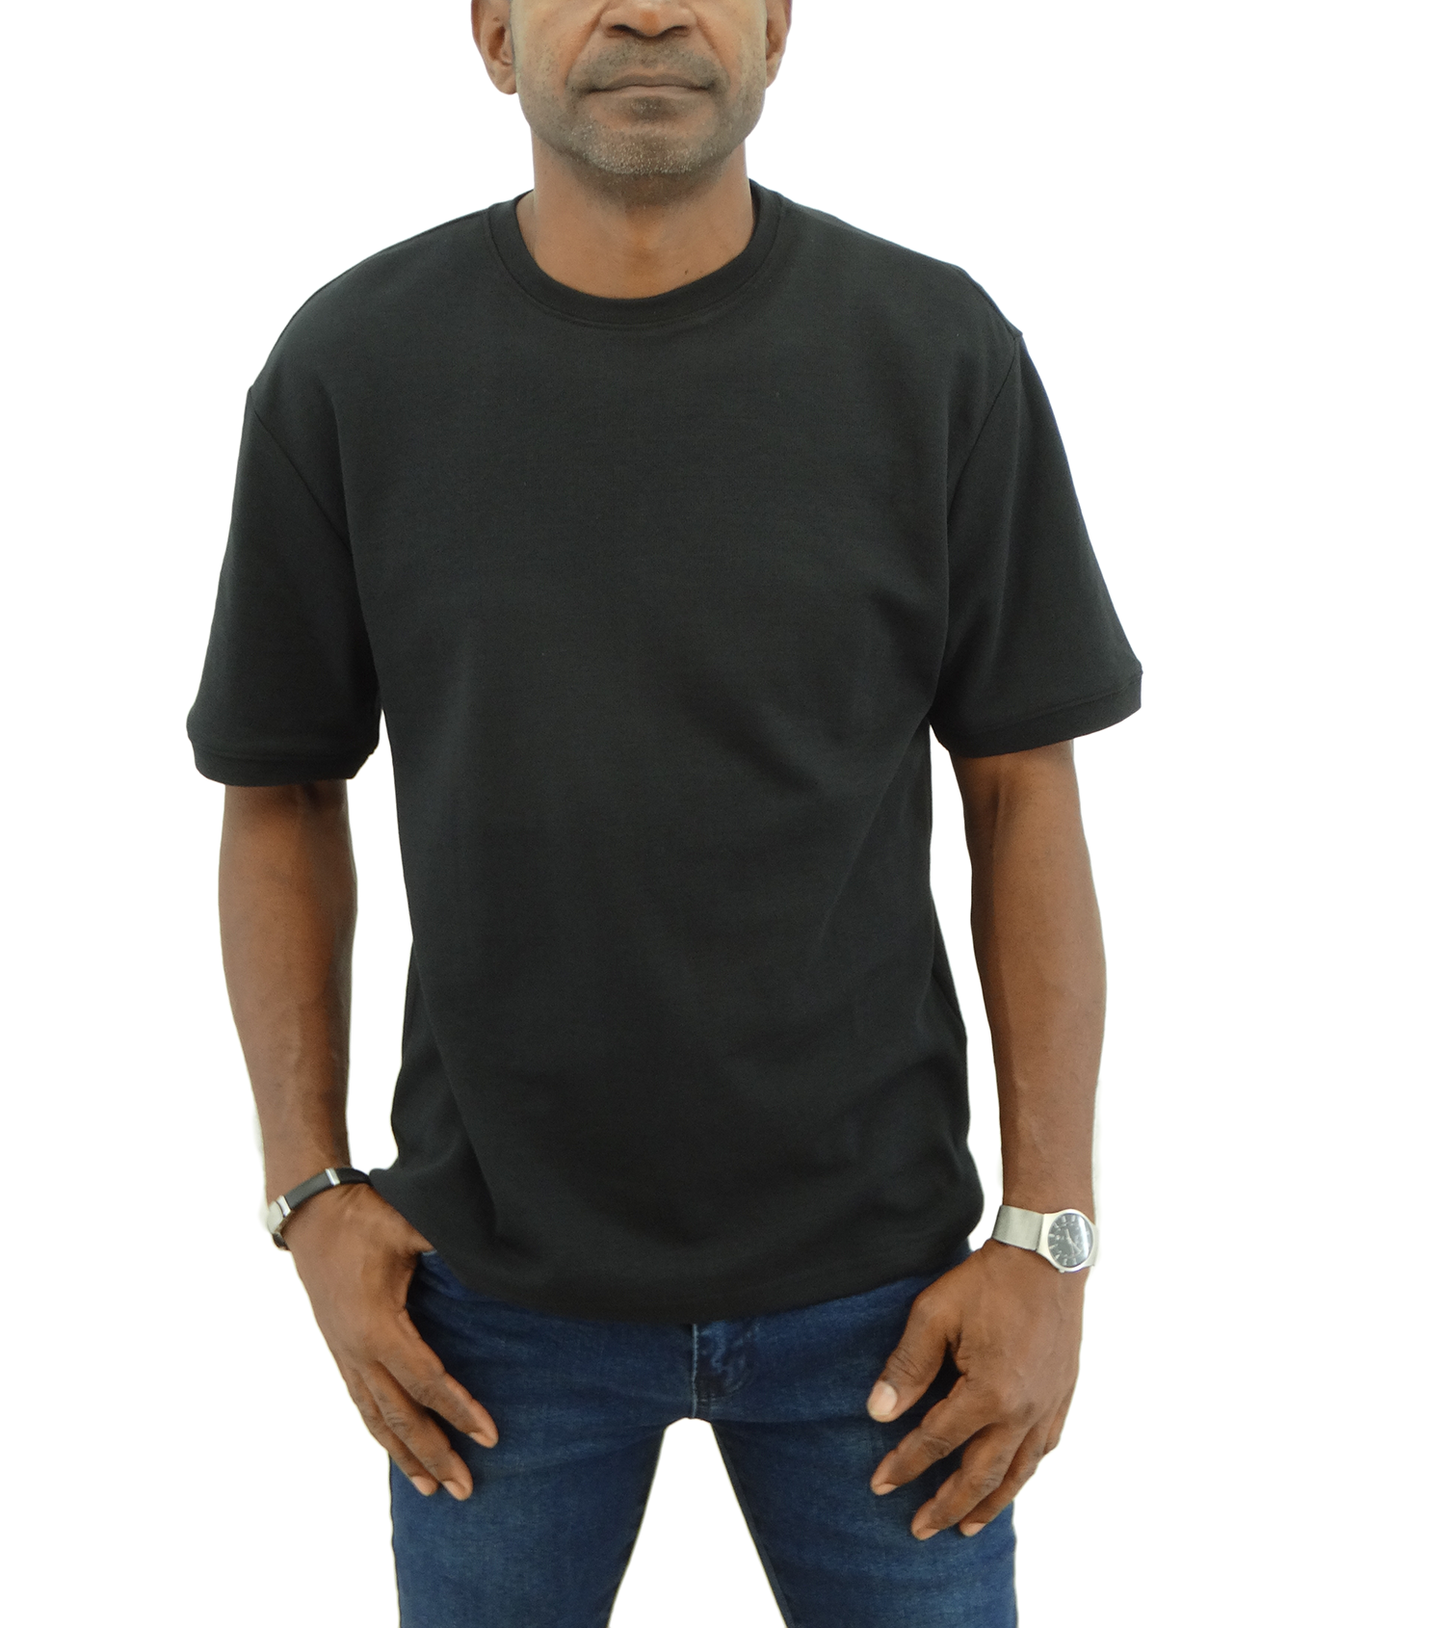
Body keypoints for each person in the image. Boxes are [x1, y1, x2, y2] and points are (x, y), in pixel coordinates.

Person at [188, 3, 1141, 1623]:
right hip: (486, 1313)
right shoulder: (353, 369)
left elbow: (1020, 788)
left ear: (778, 26)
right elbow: (279, 786)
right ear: (494, 32)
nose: (647, 9)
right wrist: (308, 1195)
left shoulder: (934, 354)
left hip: (887, 1305)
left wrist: (1047, 1234)